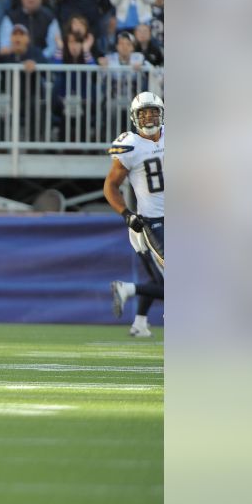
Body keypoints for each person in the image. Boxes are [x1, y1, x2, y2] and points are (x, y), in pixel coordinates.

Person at [106, 92, 164, 338]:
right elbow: (110, 186)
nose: (149, 117)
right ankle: (128, 290)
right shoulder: (130, 145)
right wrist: (126, 214)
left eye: (153, 112)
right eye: (144, 113)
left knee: (159, 280)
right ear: (134, 117)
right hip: (153, 222)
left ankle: (140, 322)